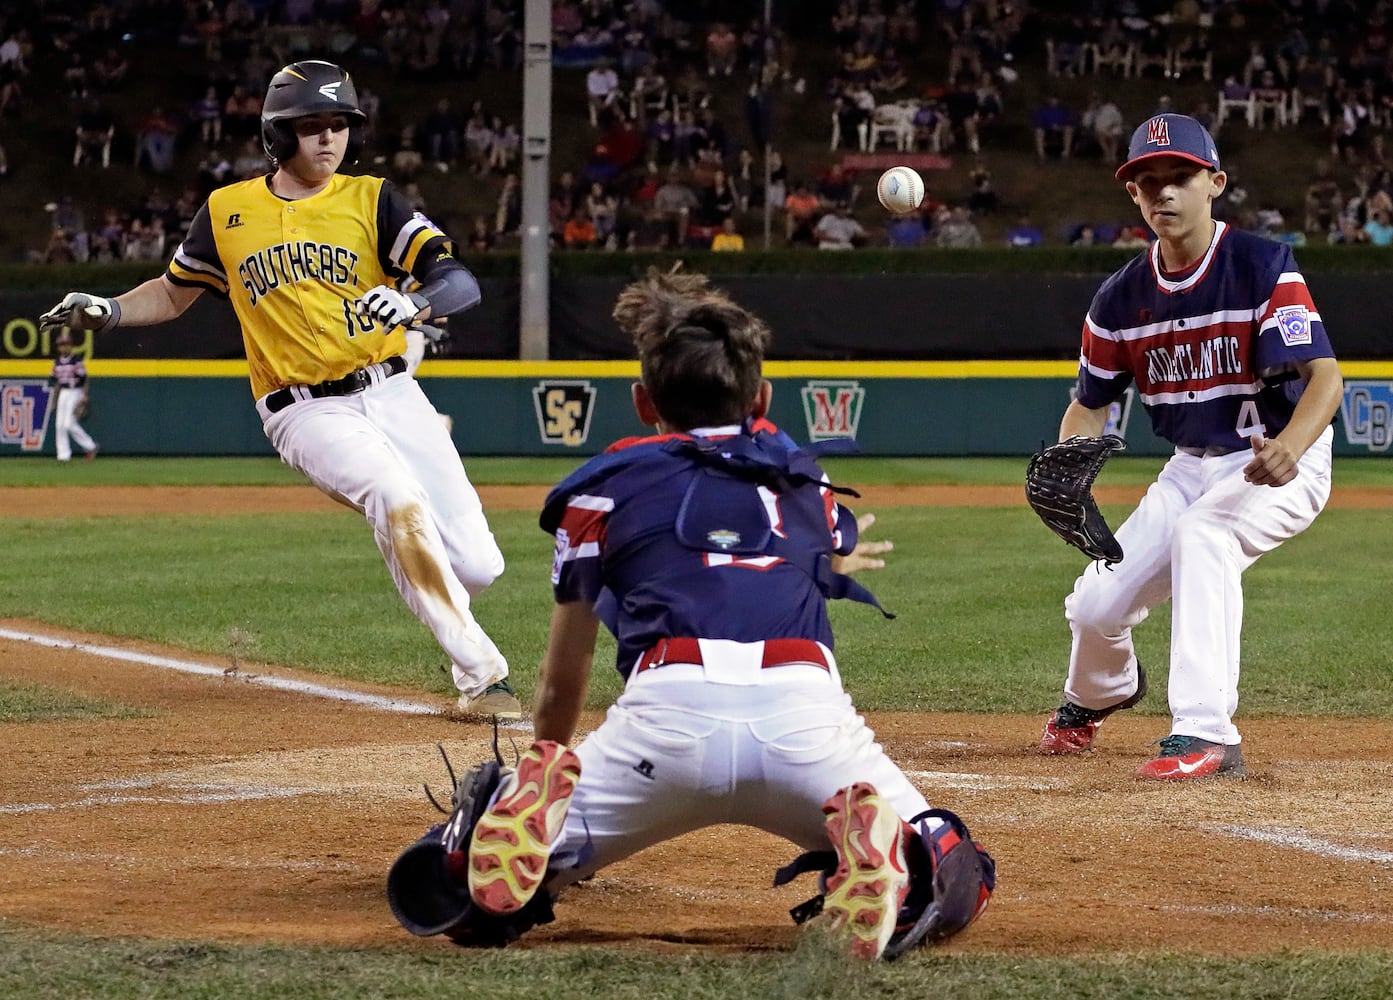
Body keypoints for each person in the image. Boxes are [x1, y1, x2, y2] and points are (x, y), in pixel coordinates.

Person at [388, 268, 994, 960]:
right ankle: (897, 861)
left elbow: (566, 672)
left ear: (643, 403)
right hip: (806, 726)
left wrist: (546, 761)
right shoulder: (803, 480)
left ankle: (505, 850)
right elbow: (820, 534)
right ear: (761, 398)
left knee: (470, 899)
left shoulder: (603, 488)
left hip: (663, 725)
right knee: (955, 864)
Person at [38, 60, 519, 720]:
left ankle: (442, 611)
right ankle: (482, 678)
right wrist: (111, 309)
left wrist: (416, 304)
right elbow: (175, 292)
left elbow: (456, 280)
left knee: (476, 566)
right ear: (277, 135)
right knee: (394, 496)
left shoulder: (371, 200)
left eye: (339, 125)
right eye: (311, 126)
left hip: (391, 393)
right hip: (303, 408)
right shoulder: (229, 211)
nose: (329, 139)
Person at [1036, 114, 1343, 780]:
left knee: (1204, 536)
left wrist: (1292, 445)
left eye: (1179, 178)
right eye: (1148, 183)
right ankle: (1099, 693)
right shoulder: (1119, 299)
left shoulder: (1259, 264)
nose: (1163, 193)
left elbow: (1325, 376)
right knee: (1095, 603)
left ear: (1214, 183)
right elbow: (1088, 404)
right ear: (1133, 197)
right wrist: (1068, 465)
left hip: (1278, 459)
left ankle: (1205, 735)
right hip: (1190, 466)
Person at [47, 331, 99, 462]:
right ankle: (63, 455)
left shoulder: (76, 360)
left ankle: (90, 446)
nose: (64, 347)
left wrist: (85, 395)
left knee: (69, 424)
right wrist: (54, 401)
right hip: (64, 392)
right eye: (61, 345)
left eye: (66, 344)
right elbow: (58, 383)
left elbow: (85, 378)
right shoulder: (57, 362)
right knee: (60, 425)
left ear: (71, 346)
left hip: (76, 390)